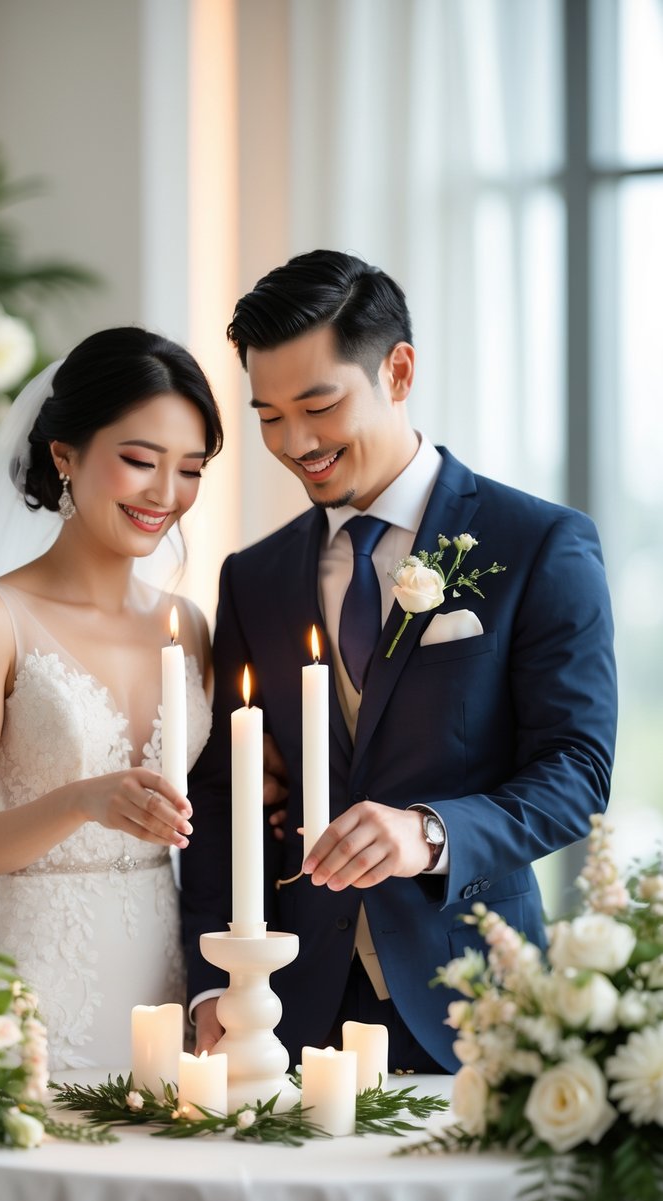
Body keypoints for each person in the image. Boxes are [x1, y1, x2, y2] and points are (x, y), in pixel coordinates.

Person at [180, 249, 617, 1075]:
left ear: (399, 370)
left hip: (473, 1000)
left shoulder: (538, 545)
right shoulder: (253, 578)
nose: (294, 442)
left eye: (319, 404)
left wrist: (429, 832)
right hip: (283, 1009)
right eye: (268, 415)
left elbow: (576, 773)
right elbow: (223, 797)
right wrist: (212, 989)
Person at [0, 327, 223, 1071]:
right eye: (139, 461)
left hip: (164, 977)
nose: (164, 495)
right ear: (64, 455)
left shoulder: (188, 627)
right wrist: (82, 800)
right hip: (38, 983)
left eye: (190, 469)